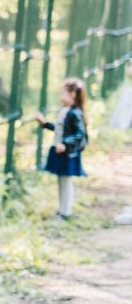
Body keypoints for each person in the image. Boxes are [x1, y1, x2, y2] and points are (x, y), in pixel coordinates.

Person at [35, 78, 88, 219]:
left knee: (66, 181)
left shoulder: (74, 113)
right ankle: (62, 210)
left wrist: (65, 143)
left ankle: (66, 212)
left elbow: (80, 134)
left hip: (67, 152)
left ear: (73, 94)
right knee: (61, 181)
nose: (61, 97)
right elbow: (60, 129)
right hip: (59, 149)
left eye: (63, 93)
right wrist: (45, 123)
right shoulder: (65, 110)